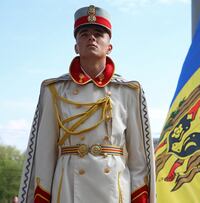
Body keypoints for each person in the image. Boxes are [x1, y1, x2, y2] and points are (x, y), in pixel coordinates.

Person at [18, 5, 155, 203]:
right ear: (76, 46)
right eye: (84, 34)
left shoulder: (129, 92)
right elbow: (42, 155)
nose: (91, 38)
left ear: (109, 46)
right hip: (67, 189)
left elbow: (140, 159)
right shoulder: (54, 90)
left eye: (99, 34)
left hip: (114, 191)